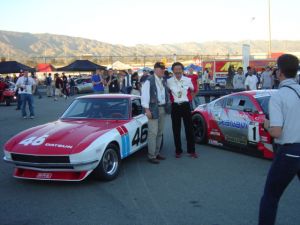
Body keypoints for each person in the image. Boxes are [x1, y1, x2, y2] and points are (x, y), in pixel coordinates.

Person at [258, 54, 300, 225]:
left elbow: (276, 132)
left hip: (289, 152)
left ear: (280, 72)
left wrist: (266, 123)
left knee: (270, 197)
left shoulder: (278, 96)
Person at [141, 62, 170, 164]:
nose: (163, 70)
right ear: (155, 69)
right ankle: (151, 155)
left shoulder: (163, 81)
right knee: (153, 133)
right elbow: (144, 96)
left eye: (163, 68)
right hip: (153, 109)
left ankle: (157, 153)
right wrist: (147, 109)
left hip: (162, 108)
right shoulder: (149, 81)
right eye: (161, 68)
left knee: (160, 132)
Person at [167, 62, 197, 158]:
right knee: (176, 129)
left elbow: (194, 90)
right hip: (175, 106)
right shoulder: (169, 81)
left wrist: (190, 99)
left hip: (185, 106)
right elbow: (167, 92)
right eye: (175, 69)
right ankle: (178, 150)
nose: (178, 71)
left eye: (179, 69)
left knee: (189, 129)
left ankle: (191, 151)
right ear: (173, 71)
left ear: (182, 70)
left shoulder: (188, 80)